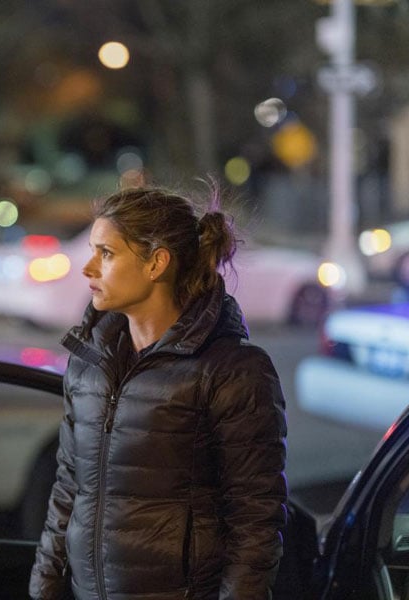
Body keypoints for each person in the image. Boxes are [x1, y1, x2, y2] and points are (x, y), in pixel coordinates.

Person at [29, 186, 288, 600]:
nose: (88, 269)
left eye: (107, 254)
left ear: (156, 262)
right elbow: (68, 488)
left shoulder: (232, 368)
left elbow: (256, 520)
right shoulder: (89, 362)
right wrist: (44, 587)